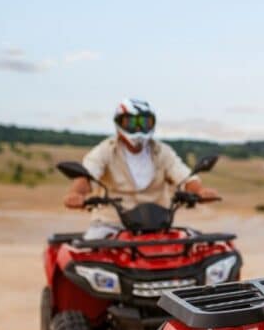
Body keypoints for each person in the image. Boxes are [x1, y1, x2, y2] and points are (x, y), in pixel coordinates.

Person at [63, 98, 218, 239]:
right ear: (119, 123)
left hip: (157, 224)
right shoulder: (105, 151)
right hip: (111, 223)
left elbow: (184, 177)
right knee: (90, 250)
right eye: (131, 123)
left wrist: (199, 191)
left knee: (192, 244)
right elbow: (87, 176)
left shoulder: (162, 152)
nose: (138, 128)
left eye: (144, 123)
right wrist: (76, 194)